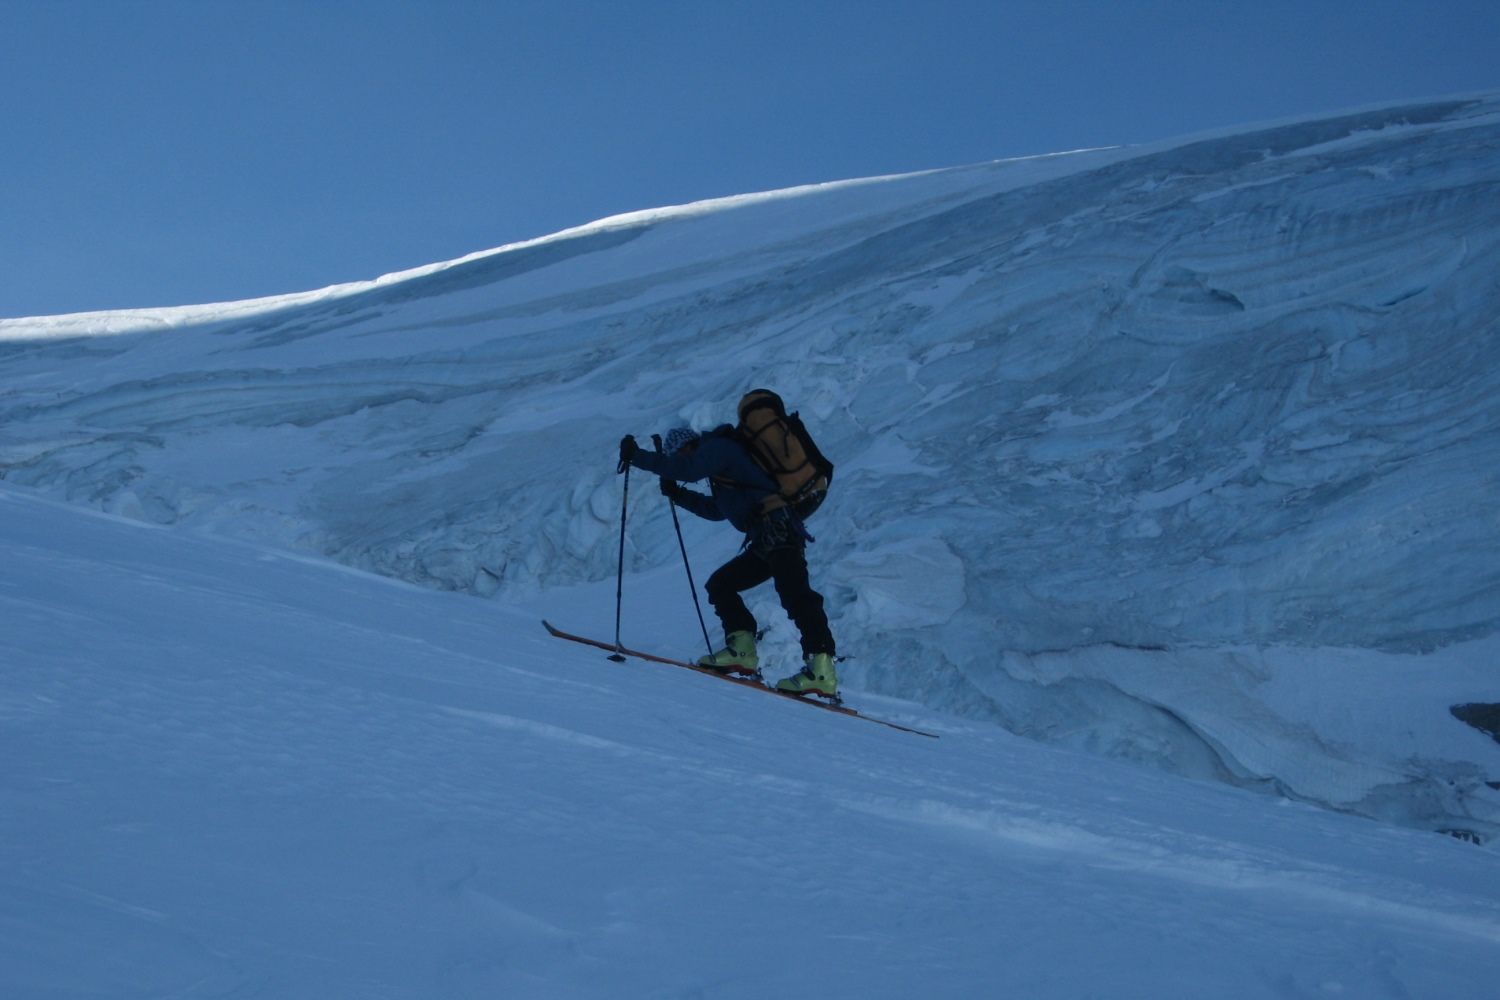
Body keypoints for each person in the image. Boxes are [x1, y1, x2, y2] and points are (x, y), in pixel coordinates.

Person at [618, 423, 839, 699]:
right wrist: (678, 495)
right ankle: (742, 652)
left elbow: (687, 470)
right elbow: (717, 511)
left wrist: (638, 457)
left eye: (679, 456)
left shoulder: (717, 448)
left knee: (796, 596)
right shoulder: (720, 474)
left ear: (688, 447)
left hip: (779, 532)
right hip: (766, 540)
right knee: (722, 584)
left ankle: (821, 669)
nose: (680, 463)